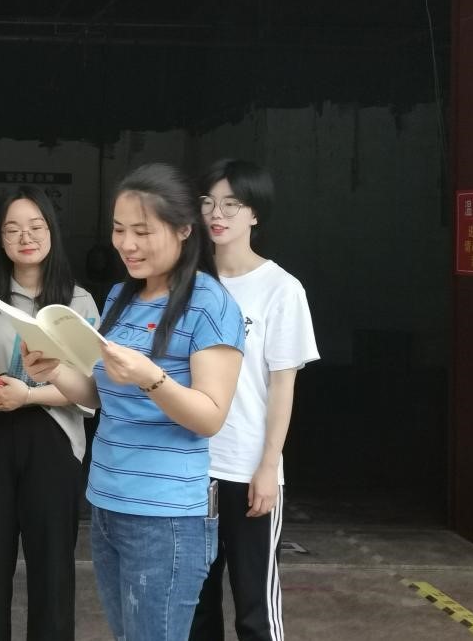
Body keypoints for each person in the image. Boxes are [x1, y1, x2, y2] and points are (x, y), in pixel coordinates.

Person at [23, 163, 245, 641]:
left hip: (166, 516)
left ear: (184, 230)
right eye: (119, 229)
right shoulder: (122, 295)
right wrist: (54, 371)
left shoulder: (210, 304)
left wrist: (151, 378)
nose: (126, 244)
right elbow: (102, 394)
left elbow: (210, 416)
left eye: (142, 232)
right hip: (107, 501)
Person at [0, 186, 99, 641]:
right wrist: (0, 390)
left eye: (35, 226)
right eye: (12, 229)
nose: (24, 237)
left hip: (54, 439)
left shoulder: (78, 303)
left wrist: (28, 396)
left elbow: (91, 387)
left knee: (53, 570)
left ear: (52, 231)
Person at [189, 160, 319, 641]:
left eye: (231, 204)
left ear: (255, 214)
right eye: (208, 202)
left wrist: (268, 466)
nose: (216, 214)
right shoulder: (188, 283)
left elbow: (282, 386)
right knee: (196, 607)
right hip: (190, 466)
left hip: (247, 470)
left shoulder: (281, 289)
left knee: (255, 610)